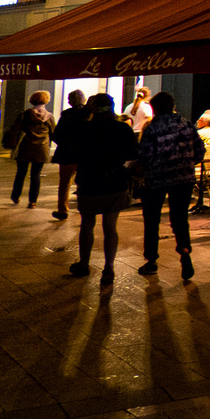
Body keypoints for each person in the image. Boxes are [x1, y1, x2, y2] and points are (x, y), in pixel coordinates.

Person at [67, 94, 139, 286]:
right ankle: (108, 266)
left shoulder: (84, 128)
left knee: (87, 224)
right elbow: (133, 153)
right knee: (110, 226)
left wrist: (84, 113)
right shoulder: (122, 128)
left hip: (89, 179)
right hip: (114, 180)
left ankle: (84, 263)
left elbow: (69, 142)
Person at [136, 92, 201, 280]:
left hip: (157, 179)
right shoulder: (186, 124)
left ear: (155, 108)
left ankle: (151, 260)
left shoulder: (152, 127)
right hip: (184, 178)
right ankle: (185, 250)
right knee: (180, 218)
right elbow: (199, 151)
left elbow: (145, 156)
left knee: (152, 219)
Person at [10, 90, 55, 208]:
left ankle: (16, 196)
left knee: (21, 173)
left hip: (26, 146)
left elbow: (17, 129)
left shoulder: (25, 114)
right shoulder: (49, 116)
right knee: (36, 174)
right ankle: (33, 201)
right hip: (41, 148)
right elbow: (54, 133)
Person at [50, 90, 90, 220]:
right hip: (85, 154)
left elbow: (57, 135)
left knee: (65, 184)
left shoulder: (66, 115)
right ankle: (84, 208)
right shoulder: (89, 114)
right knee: (84, 182)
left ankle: (63, 209)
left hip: (67, 154)